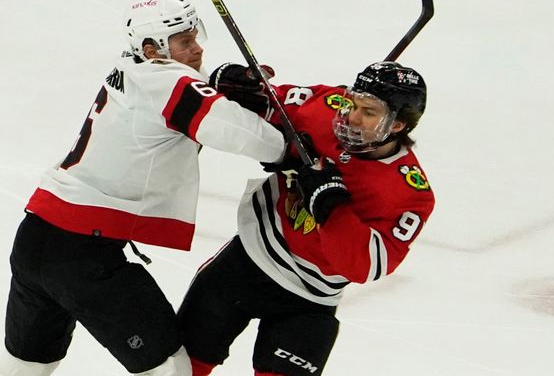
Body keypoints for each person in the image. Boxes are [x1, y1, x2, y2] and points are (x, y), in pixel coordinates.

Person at [0, 0, 285, 376]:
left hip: (36, 242)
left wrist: (217, 82)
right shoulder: (170, 85)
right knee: (171, 370)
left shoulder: (129, 67)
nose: (197, 49)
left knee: (21, 371)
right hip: (85, 256)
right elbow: (255, 139)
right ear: (152, 48)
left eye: (196, 37)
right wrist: (298, 148)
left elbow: (174, 95)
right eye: (185, 42)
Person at [177, 61, 436, 376]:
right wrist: (234, 86)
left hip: (309, 299)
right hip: (244, 265)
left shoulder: (409, 193)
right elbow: (265, 110)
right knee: (177, 369)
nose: (351, 116)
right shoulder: (326, 107)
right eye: (353, 103)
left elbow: (364, 266)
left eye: (368, 113)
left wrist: (330, 204)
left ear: (397, 125)